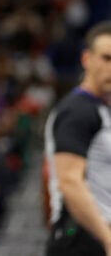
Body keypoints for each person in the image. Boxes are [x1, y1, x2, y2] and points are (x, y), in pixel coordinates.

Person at [44, 21, 111, 256]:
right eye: (106, 58)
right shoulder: (77, 111)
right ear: (86, 59)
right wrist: (107, 238)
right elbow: (70, 182)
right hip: (81, 240)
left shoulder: (101, 110)